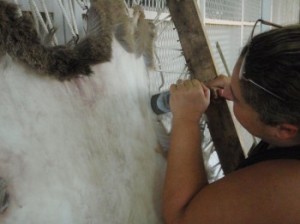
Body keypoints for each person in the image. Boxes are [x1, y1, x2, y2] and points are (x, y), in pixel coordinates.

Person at [162, 20, 300, 224]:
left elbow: (180, 217)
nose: (224, 92)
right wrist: (238, 88)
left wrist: (186, 119)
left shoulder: (292, 191)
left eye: (235, 97)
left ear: (285, 130)